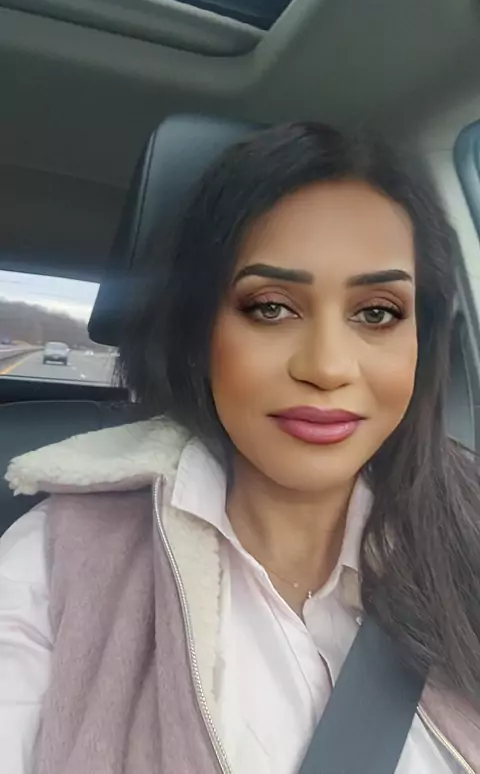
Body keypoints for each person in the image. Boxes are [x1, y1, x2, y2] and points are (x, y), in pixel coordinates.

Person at [0, 121, 479, 774]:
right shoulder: (53, 565)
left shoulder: (466, 531)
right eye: (271, 307)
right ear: (200, 330)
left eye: (376, 313)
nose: (327, 367)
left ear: (423, 339)